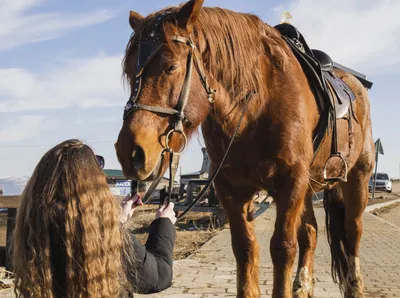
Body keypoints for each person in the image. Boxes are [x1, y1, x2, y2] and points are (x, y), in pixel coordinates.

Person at [12, 139, 176, 298]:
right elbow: (159, 276)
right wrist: (164, 223)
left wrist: (118, 219)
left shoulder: (33, 227)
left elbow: (71, 227)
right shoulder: (105, 233)